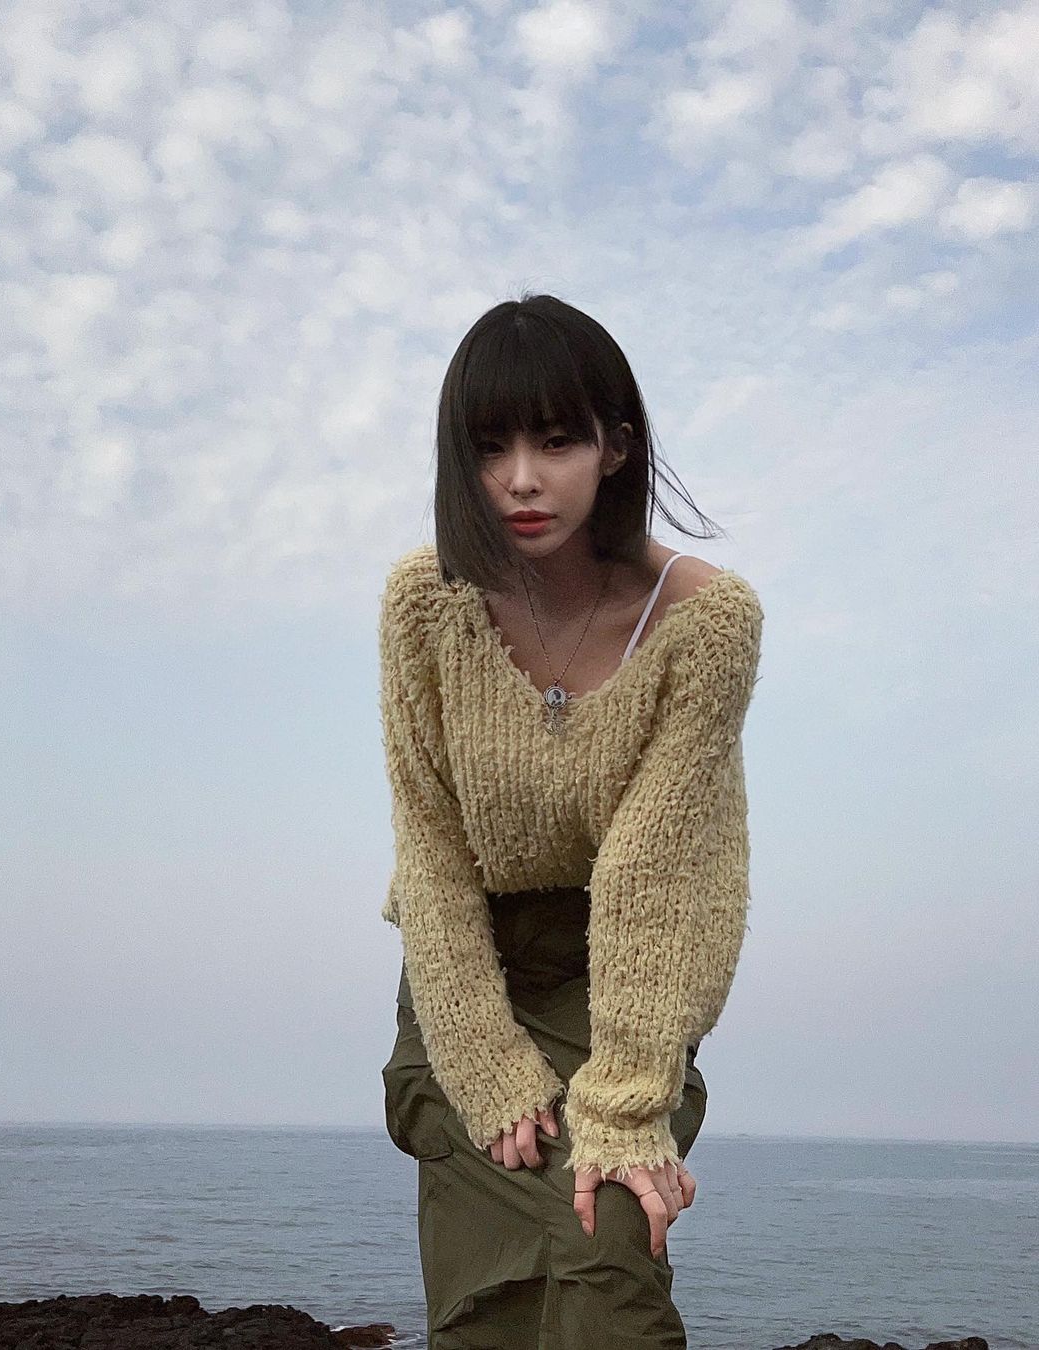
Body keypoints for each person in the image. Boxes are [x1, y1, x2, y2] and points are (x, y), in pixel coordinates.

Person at [377, 292, 764, 1348]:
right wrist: (479, 1057)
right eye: (489, 447)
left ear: (615, 446)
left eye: (556, 441)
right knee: (488, 1297)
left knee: (610, 1237)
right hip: (469, 971)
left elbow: (653, 874)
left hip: (631, 970)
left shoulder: (705, 621)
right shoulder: (424, 603)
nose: (520, 479)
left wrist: (630, 1102)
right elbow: (429, 846)